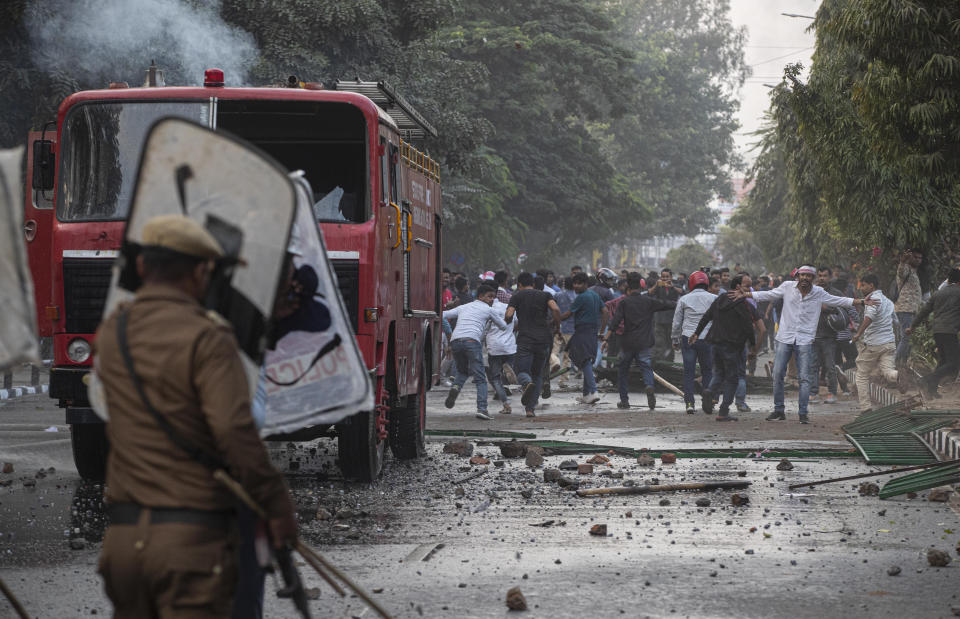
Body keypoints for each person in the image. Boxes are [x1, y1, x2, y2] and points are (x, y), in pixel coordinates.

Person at [94, 215, 297, 618]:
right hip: (189, 546)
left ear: (141, 266)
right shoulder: (208, 337)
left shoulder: (112, 333)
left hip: (123, 544)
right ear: (202, 271)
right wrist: (276, 506)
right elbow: (234, 430)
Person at [736, 265, 870, 423]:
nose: (805, 278)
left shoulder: (818, 293)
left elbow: (839, 300)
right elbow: (768, 294)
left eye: (809, 276)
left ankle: (803, 412)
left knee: (805, 377)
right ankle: (779, 410)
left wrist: (860, 301)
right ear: (798, 277)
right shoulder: (787, 287)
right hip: (785, 337)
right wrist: (747, 294)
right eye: (803, 275)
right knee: (778, 374)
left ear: (812, 279)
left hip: (805, 340)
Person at [690, 274, 760, 421]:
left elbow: (707, 316)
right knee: (732, 379)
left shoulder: (720, 299)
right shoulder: (742, 303)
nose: (749, 289)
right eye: (747, 286)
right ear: (738, 287)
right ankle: (723, 411)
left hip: (715, 343)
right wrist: (753, 346)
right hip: (732, 346)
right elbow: (748, 326)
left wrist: (696, 333)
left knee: (720, 373)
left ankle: (709, 391)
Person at [603, 273, 676, 410]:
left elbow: (614, 322)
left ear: (627, 287)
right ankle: (649, 385)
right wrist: (682, 303)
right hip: (644, 342)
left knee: (623, 371)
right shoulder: (648, 301)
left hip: (628, 343)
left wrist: (605, 339)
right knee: (646, 367)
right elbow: (667, 304)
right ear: (640, 285)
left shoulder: (624, 302)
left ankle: (624, 401)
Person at [442, 283, 509, 420]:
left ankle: (455, 388)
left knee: (462, 371)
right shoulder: (489, 310)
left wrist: (449, 331)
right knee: (480, 378)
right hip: (472, 342)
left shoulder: (464, 307)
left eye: (493, 297)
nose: (491, 300)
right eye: (489, 297)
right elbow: (503, 326)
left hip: (456, 341)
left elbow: (442, 315)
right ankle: (482, 409)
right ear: (480, 296)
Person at [506, 272, 561, 417]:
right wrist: (557, 326)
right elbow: (555, 309)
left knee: (521, 370)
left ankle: (526, 383)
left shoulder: (517, 296)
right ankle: (530, 409)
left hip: (525, 339)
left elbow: (509, 315)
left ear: (519, 284)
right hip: (543, 339)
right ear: (534, 284)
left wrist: (508, 322)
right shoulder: (545, 295)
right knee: (538, 374)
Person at [907, 268, 960, 398]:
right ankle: (926, 379)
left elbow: (924, 311)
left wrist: (913, 326)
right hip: (950, 331)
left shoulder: (938, 293)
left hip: (937, 331)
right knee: (954, 363)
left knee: (943, 361)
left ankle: (931, 390)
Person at [671, 271, 716, 414]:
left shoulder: (684, 299)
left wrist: (675, 339)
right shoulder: (714, 298)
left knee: (689, 372)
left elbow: (677, 322)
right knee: (707, 370)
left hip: (688, 338)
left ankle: (689, 403)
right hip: (707, 339)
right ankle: (708, 399)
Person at [851, 274, 898, 412]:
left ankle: (865, 408)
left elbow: (869, 317)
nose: (861, 288)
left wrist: (859, 333)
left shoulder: (873, 299)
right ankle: (897, 376)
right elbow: (896, 321)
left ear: (871, 285)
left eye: (863, 285)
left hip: (874, 344)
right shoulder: (888, 301)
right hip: (889, 343)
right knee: (887, 371)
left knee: (861, 375)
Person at [560, 272, 607, 404]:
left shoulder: (581, 297)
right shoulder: (595, 295)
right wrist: (602, 330)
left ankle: (593, 390)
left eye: (579, 283)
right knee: (588, 361)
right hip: (593, 330)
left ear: (586, 284)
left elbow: (569, 313)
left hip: (582, 330)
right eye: (574, 283)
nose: (575, 286)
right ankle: (586, 395)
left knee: (583, 359)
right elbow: (605, 312)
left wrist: (555, 320)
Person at [809, 266, 845, 405]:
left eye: (824, 275)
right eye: (820, 275)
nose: (822, 278)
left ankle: (832, 393)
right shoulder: (812, 292)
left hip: (829, 336)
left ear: (830, 277)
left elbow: (842, 311)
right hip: (813, 335)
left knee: (830, 366)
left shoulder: (836, 293)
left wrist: (827, 308)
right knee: (813, 366)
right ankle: (813, 393)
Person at [486, 296, 517, 415]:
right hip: (509, 346)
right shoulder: (509, 308)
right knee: (508, 371)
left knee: (495, 379)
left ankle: (506, 405)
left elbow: (484, 330)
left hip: (494, 348)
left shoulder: (487, 310)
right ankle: (509, 371)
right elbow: (516, 324)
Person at [893, 248, 924, 366]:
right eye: (915, 257)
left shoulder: (914, 272)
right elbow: (901, 272)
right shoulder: (905, 269)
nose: (918, 260)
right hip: (905, 309)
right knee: (906, 338)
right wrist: (902, 261)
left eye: (920, 258)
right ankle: (893, 364)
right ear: (910, 258)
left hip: (912, 310)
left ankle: (902, 365)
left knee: (908, 339)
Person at [650, 268, 682, 362]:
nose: (665, 278)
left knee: (670, 342)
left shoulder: (676, 285)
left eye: (667, 276)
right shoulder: (658, 287)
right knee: (659, 342)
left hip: (672, 319)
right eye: (663, 276)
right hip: (659, 319)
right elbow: (649, 293)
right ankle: (659, 361)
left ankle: (669, 362)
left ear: (671, 277)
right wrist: (656, 284)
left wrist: (673, 287)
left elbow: (683, 292)